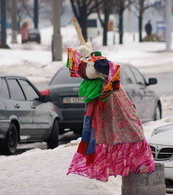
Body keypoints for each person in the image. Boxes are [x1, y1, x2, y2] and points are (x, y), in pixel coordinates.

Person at [66, 42, 155, 182]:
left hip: (111, 103)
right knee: (103, 134)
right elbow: (79, 69)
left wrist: (92, 60)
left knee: (128, 129)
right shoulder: (92, 78)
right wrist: (86, 58)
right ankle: (125, 162)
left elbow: (108, 71)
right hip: (102, 106)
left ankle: (136, 161)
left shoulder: (105, 73)